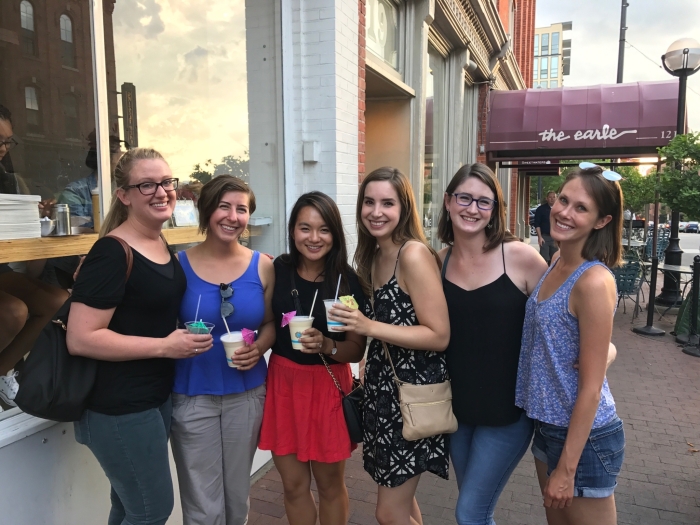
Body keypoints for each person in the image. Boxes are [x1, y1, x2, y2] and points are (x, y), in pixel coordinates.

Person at [66, 147, 214, 525]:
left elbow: (141, 314)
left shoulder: (159, 242)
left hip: (152, 398)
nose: (161, 192)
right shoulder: (112, 253)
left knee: (129, 507)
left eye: (166, 182)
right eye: (146, 184)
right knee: (151, 510)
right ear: (124, 195)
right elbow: (81, 338)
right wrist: (167, 345)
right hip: (118, 405)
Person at [330, 167, 451, 525]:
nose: (376, 211)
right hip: (383, 393)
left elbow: (439, 334)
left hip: (411, 395)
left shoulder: (411, 254)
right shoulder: (371, 257)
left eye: (387, 203)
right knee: (402, 501)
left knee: (389, 512)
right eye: (369, 202)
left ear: (404, 208)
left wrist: (370, 327)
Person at [437, 163, 548, 525]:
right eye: (464, 198)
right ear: (448, 202)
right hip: (456, 411)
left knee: (470, 512)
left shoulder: (521, 258)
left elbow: (563, 318)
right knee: (476, 508)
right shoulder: (437, 263)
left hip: (508, 414)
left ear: (495, 211)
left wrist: (601, 352)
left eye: (484, 202)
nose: (472, 209)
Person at [516, 163, 625, 525]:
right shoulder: (557, 259)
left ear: (601, 221)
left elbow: (592, 390)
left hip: (585, 438)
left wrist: (566, 469)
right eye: (564, 200)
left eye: (581, 208)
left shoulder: (593, 280)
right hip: (549, 428)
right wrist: (608, 353)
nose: (564, 212)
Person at [170, 175, 275, 525]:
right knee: (202, 505)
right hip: (191, 394)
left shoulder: (263, 265)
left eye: (241, 209)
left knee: (236, 499)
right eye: (223, 206)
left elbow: (273, 323)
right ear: (205, 210)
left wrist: (259, 346)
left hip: (246, 394)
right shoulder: (177, 266)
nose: (232, 216)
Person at [258, 191, 367, 525]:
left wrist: (326, 346)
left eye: (323, 229)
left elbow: (356, 348)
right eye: (305, 228)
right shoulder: (280, 269)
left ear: (334, 233)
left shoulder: (346, 283)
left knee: (330, 486)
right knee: (292, 486)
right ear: (293, 231)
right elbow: (267, 322)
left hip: (327, 387)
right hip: (284, 383)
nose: (314, 238)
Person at [0, 104, 68, 408]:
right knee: (14, 311)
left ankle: (2, 371)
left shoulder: (8, 180)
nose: (3, 148)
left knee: (59, 301)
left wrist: (35, 218)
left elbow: (27, 256)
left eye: (8, 141)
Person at [535, 191, 559, 263]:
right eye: (550, 197)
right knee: (544, 259)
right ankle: (545, 273)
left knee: (555, 259)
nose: (552, 199)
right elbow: (537, 224)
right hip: (544, 237)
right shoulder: (540, 209)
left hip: (555, 238)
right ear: (547, 198)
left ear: (556, 198)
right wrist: (539, 237)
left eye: (554, 197)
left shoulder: (559, 209)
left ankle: (553, 274)